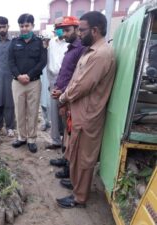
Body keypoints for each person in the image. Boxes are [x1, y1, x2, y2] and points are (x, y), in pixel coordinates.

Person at [56, 11, 116, 208]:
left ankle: (79, 197)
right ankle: (76, 185)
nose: (79, 34)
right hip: (80, 112)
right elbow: (77, 79)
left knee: (84, 157)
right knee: (74, 152)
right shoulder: (91, 50)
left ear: (95, 30)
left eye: (82, 30)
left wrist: (64, 97)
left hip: (88, 116)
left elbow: (82, 86)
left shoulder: (101, 54)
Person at [49, 16, 86, 180]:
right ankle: (65, 160)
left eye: (67, 30)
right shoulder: (71, 47)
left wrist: (62, 91)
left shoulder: (81, 49)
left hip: (70, 97)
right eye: (63, 30)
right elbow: (65, 72)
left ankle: (69, 168)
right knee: (66, 132)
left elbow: (77, 78)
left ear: (77, 30)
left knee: (71, 133)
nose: (64, 33)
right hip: (62, 94)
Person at [9, 13, 47, 153]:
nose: (24, 28)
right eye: (21, 26)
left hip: (34, 83)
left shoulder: (40, 42)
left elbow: (42, 61)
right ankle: (21, 137)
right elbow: (10, 62)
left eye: (27, 25)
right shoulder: (14, 42)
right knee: (19, 111)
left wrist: (29, 76)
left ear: (32, 26)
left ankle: (31, 139)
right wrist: (19, 76)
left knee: (32, 112)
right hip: (17, 83)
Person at [45, 17, 69, 149]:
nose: (59, 30)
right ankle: (55, 141)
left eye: (61, 27)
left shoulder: (70, 44)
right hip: (54, 80)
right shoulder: (52, 43)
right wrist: (50, 81)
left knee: (65, 112)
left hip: (66, 81)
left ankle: (66, 142)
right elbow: (49, 63)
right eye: (57, 27)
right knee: (53, 112)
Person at [0, 16, 15, 137]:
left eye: (3, 27)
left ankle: (10, 127)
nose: (1, 29)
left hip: (10, 77)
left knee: (9, 102)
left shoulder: (14, 42)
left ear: (8, 27)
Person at [40, 37, 51, 132]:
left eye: (46, 41)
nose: (45, 43)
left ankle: (51, 122)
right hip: (42, 78)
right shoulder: (41, 52)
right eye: (43, 42)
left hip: (50, 78)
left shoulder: (52, 51)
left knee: (51, 102)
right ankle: (45, 122)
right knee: (43, 102)